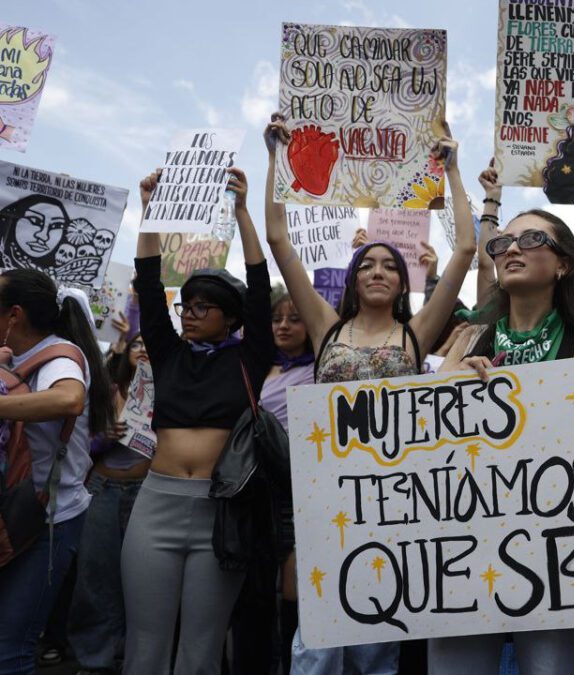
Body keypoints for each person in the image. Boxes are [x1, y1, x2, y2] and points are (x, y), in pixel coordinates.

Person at [263, 112, 476, 673]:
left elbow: (465, 252)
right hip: (325, 493)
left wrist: (453, 172)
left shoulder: (417, 333)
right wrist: (275, 160)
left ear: (402, 282)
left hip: (394, 496)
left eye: (389, 266)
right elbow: (281, 240)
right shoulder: (325, 327)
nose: (378, 271)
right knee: (317, 643)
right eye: (368, 265)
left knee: (375, 643)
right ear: (355, 278)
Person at [433, 201, 574, 673]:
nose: (511, 248)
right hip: (464, 554)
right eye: (502, 243)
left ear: (563, 264)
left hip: (558, 554)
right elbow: (425, 450)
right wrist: (452, 388)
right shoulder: (467, 340)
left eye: (532, 239)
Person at [121, 166, 275, 674]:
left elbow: (258, 288)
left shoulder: (248, 356)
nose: (189, 313)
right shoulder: (168, 354)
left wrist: (242, 211)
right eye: (187, 304)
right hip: (157, 506)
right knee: (145, 644)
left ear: (230, 318)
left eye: (204, 307)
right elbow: (147, 286)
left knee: (202, 650)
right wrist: (151, 212)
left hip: (220, 513)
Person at [0, 271, 112, 673]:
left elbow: (69, 399)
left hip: (48, 521)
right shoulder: (11, 352)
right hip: (13, 513)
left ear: (14, 314)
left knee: (9, 649)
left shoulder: (60, 355)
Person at [229, 286, 315, 674]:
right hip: (257, 490)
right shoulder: (259, 367)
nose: (283, 325)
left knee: (296, 589)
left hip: (304, 492)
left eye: (295, 318)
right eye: (277, 318)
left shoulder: (323, 369)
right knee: (258, 588)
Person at [67, 333, 151, 672]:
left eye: (148, 344)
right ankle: (93, 659)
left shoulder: (168, 390)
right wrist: (104, 438)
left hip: (146, 490)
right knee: (96, 573)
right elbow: (78, 441)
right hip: (103, 488)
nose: (142, 349)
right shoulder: (107, 391)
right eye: (136, 344)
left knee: (142, 577)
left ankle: (132, 656)